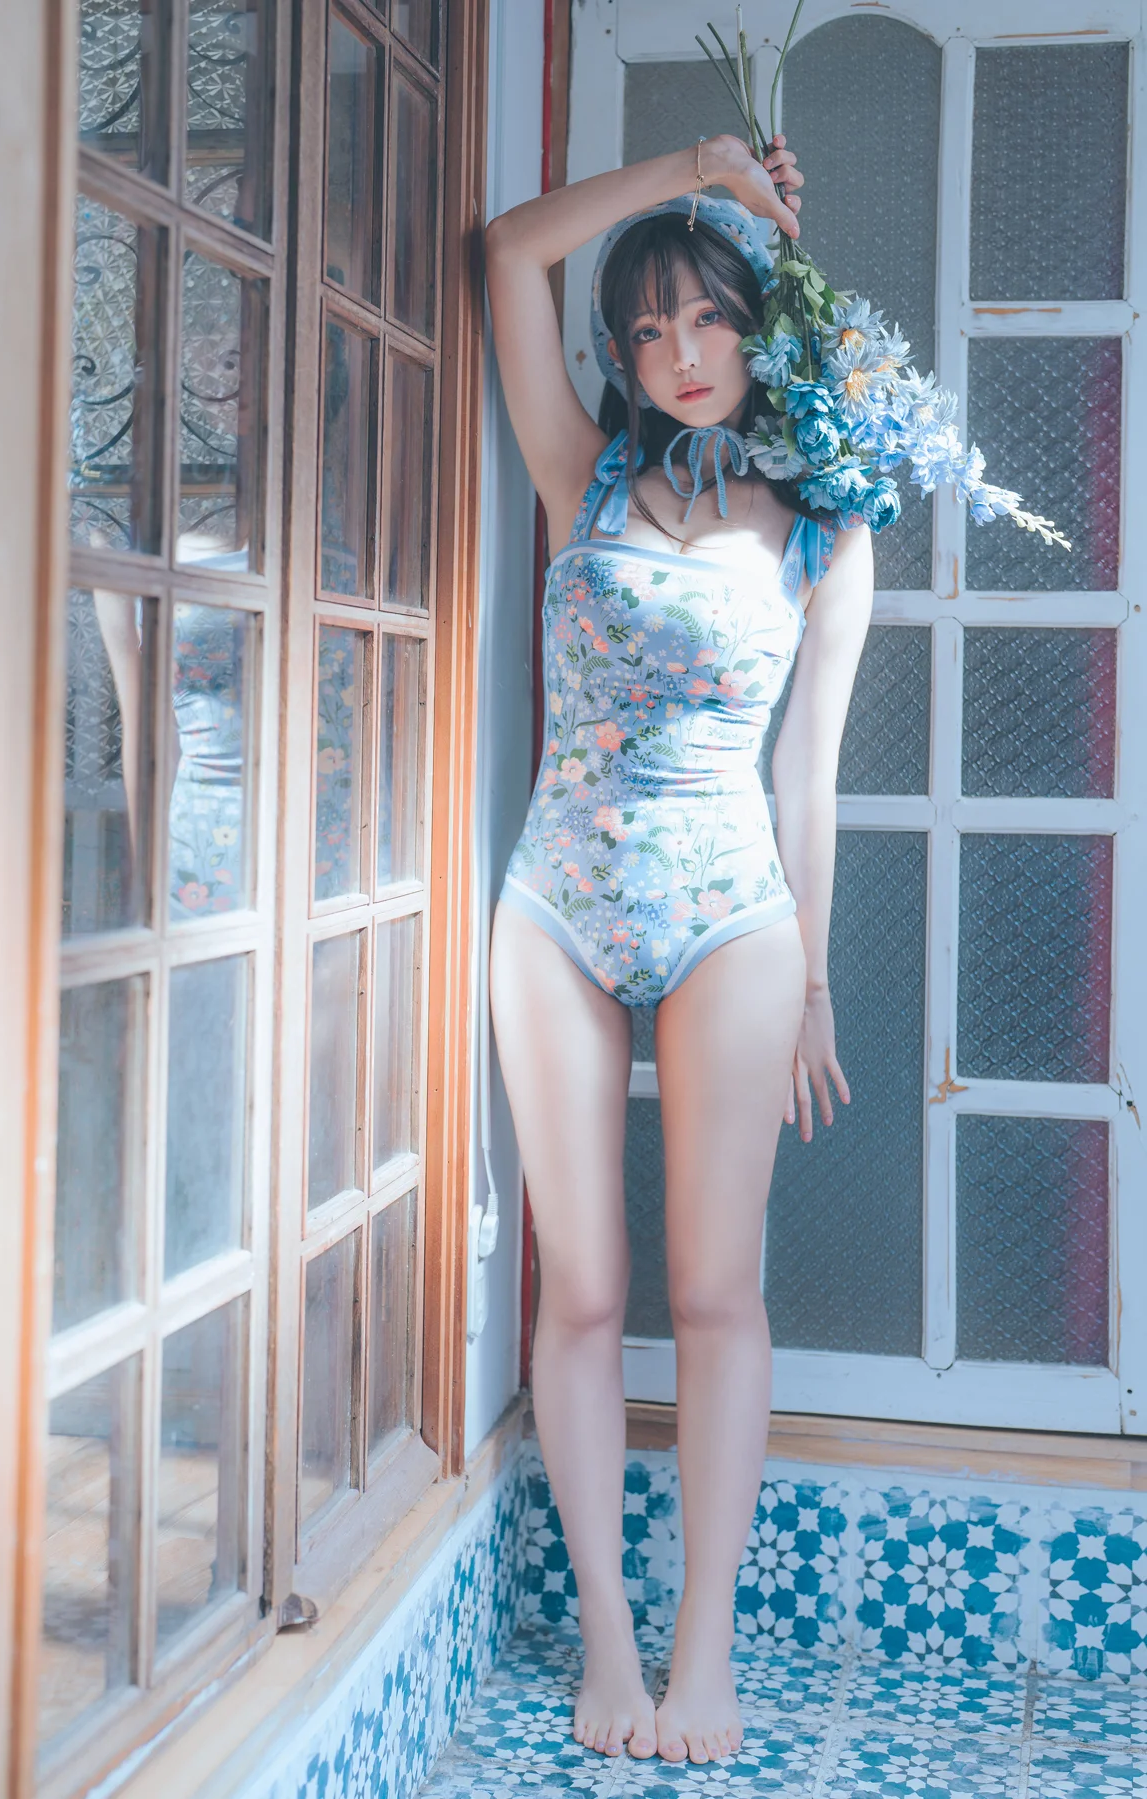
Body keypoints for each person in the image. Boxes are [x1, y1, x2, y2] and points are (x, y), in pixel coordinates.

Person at [485, 133, 873, 1765]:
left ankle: (703, 1646)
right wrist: (690, 168)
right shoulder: (578, 466)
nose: (680, 355)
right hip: (560, 900)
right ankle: (608, 1635)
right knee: (584, 1290)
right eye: (647, 330)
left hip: (732, 910)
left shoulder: (828, 525)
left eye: (707, 318)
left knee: (716, 1291)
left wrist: (818, 982)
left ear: (757, 328)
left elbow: (810, 779)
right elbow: (508, 253)